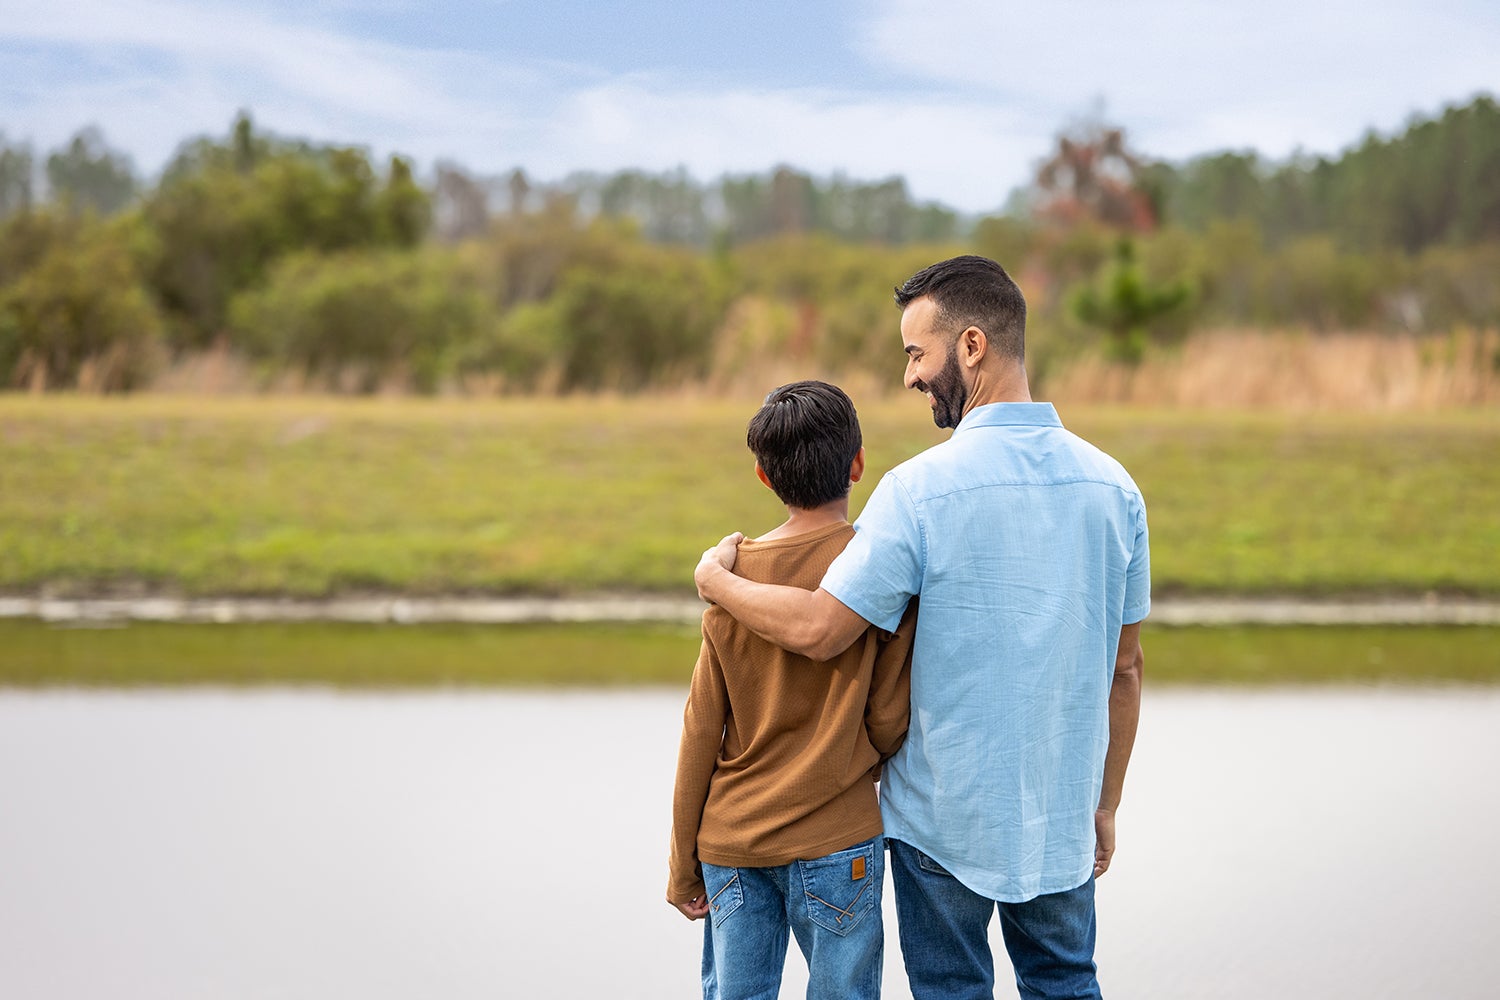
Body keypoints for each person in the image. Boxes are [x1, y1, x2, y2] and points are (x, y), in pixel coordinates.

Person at [693, 255, 1149, 1000]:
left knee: (949, 989)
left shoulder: (916, 490)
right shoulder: (1115, 487)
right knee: (1066, 982)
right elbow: (1124, 670)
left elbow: (819, 629)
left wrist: (716, 581)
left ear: (971, 346)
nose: (909, 375)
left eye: (916, 352)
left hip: (942, 823)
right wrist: (1103, 806)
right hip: (1062, 813)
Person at [666, 380, 918, 1000]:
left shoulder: (730, 578)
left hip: (733, 842)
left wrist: (680, 865)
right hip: (839, 838)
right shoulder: (878, 569)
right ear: (858, 463)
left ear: (762, 476)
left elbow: (701, 732)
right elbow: (888, 719)